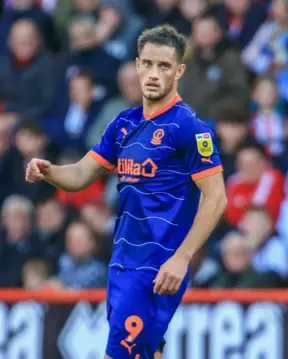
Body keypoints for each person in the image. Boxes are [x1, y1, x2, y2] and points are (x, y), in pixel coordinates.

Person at [25, 25, 228, 359]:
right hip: (122, 262)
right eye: (147, 63)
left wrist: (182, 257)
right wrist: (49, 172)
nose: (153, 73)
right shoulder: (123, 123)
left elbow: (216, 197)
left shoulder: (189, 128)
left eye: (164, 66)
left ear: (179, 71)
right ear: (136, 65)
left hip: (157, 266)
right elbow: (80, 174)